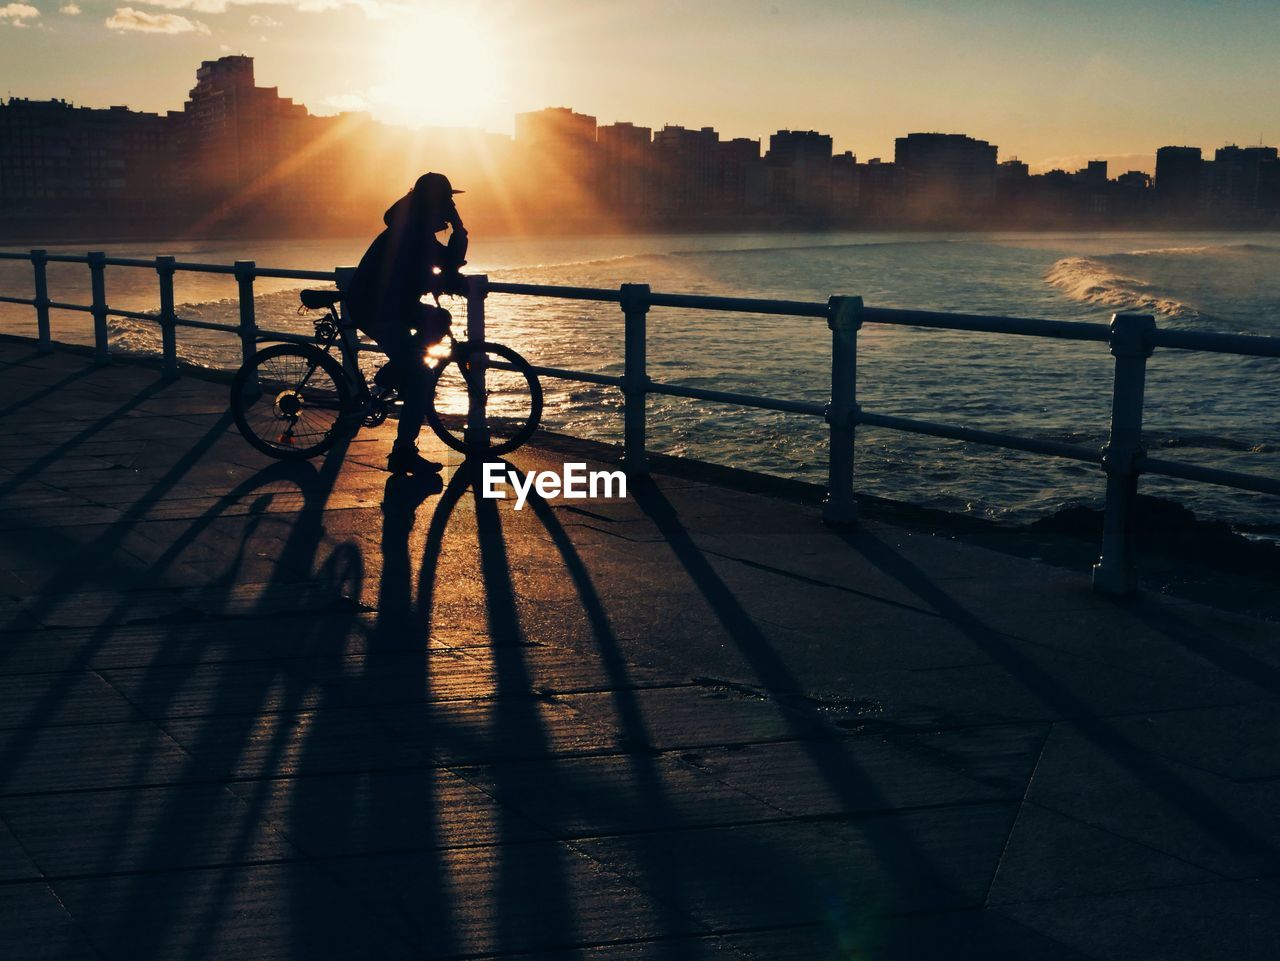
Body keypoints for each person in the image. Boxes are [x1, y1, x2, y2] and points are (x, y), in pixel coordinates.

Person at [346, 171, 470, 474]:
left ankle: (393, 371)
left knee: (439, 318)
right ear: (435, 203)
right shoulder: (411, 233)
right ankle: (403, 451)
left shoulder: (413, 229)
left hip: (390, 304)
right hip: (378, 309)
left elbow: (437, 265)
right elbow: (450, 261)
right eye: (448, 201)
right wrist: (459, 226)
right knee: (419, 379)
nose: (450, 205)